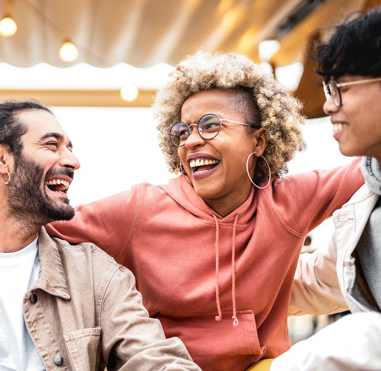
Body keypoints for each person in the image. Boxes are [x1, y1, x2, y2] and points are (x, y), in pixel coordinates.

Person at [46, 50, 364, 371]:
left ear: (259, 141)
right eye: (183, 131)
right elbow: (41, 226)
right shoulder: (140, 209)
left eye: (211, 126)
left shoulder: (288, 202)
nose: (192, 141)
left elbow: (369, 166)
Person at [0, 100, 200, 370]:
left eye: (70, 148)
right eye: (51, 145)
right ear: (4, 159)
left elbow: (152, 357)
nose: (73, 161)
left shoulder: (95, 274)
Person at [271, 7, 381, 370]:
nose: (328, 104)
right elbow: (320, 279)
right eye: (325, 88)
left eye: (338, 87)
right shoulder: (367, 198)